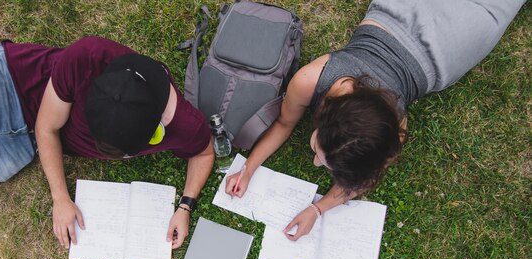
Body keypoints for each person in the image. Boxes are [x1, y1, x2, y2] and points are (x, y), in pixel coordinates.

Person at [225, 0, 525, 241]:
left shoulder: (394, 130)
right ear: (323, 114)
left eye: (320, 157)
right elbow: (283, 124)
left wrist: (319, 208)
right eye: (321, 154)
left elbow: (362, 178)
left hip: (443, 51)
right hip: (410, 22)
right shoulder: (308, 81)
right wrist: (249, 168)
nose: (315, 163)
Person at [0, 36, 215, 249]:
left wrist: (185, 206)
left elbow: (203, 152)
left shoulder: (185, 123)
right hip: (3, 78)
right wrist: (60, 198)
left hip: (19, 141)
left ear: (155, 129)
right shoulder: (88, 55)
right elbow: (48, 127)